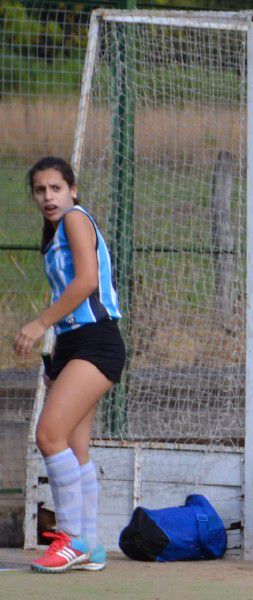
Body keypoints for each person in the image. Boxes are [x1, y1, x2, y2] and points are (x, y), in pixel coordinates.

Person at [14, 156, 125, 573]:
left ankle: (71, 539)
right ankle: (91, 547)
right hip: (73, 343)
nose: (48, 196)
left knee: (48, 435)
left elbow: (87, 282)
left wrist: (41, 321)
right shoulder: (54, 230)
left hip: (97, 343)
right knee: (75, 450)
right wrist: (55, 349)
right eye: (40, 190)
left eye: (55, 188)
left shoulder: (76, 218)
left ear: (72, 189)